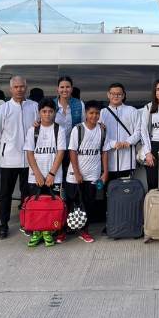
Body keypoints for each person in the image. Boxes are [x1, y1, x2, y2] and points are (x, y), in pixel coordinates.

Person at [0, 76, 39, 240]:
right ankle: (3, 225)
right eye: (16, 87)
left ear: (26, 88)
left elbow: (38, 128)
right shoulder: (3, 109)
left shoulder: (34, 106)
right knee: (5, 194)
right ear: (11, 89)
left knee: (28, 194)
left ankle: (27, 223)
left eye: (22, 87)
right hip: (9, 160)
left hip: (29, 160)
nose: (19, 89)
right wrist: (4, 148)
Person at [65, 101, 110, 243]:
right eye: (91, 113)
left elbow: (104, 152)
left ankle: (84, 230)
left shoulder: (102, 130)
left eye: (97, 113)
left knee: (89, 203)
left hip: (93, 174)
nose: (94, 116)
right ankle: (65, 229)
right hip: (75, 175)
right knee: (71, 202)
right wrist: (77, 172)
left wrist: (105, 172)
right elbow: (72, 151)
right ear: (86, 114)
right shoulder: (78, 129)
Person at [25, 98, 67, 247]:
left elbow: (60, 153)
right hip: (35, 176)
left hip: (53, 176)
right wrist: (37, 173)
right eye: (44, 111)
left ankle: (48, 231)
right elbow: (29, 153)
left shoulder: (59, 129)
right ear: (39, 113)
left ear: (54, 113)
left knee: (50, 206)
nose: (47, 114)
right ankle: (37, 232)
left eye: (50, 111)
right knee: (36, 206)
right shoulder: (33, 130)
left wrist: (51, 174)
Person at [100, 83, 140, 180]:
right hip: (108, 161)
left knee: (126, 190)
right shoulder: (102, 112)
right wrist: (113, 143)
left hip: (128, 160)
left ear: (123, 95)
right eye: (113, 93)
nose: (116, 96)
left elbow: (139, 131)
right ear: (108, 95)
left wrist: (128, 142)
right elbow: (100, 134)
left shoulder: (132, 111)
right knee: (109, 190)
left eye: (119, 94)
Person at [53, 76, 84, 180]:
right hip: (56, 149)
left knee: (71, 178)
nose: (64, 90)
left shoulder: (79, 104)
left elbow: (84, 126)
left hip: (74, 149)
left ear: (72, 88)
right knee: (57, 177)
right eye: (62, 87)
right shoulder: (51, 104)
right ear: (57, 89)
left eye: (67, 87)